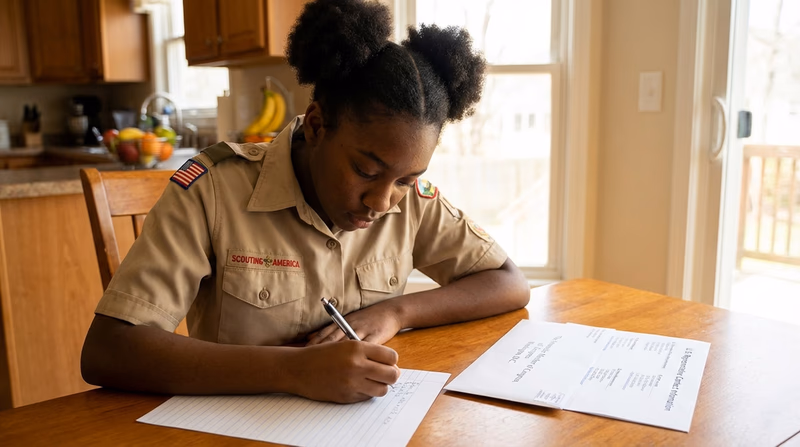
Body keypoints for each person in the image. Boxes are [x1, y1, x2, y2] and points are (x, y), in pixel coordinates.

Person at [81, 0, 530, 404]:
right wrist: (292, 371)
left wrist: (396, 310)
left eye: (407, 179)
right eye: (366, 171)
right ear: (316, 125)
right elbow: (108, 350)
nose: (381, 201)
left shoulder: (408, 199)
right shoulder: (213, 190)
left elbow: (508, 283)